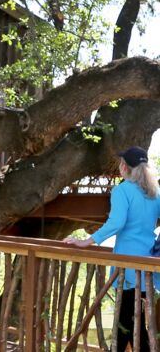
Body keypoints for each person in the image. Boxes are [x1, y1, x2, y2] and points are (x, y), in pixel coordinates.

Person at [64, 146, 160, 351]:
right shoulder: (155, 193)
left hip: (127, 267)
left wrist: (87, 241)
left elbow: (117, 222)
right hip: (148, 267)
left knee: (128, 323)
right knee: (132, 322)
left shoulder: (122, 190)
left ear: (124, 167)